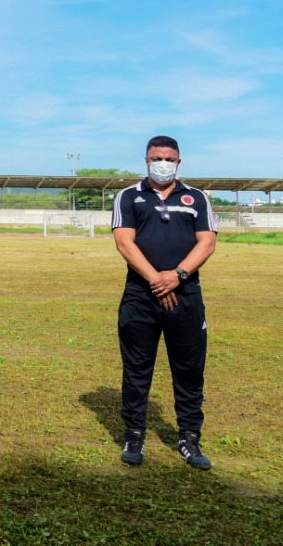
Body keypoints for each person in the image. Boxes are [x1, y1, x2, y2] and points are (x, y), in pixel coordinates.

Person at [111, 135, 217, 470]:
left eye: (169, 158)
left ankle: (189, 438)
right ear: (146, 160)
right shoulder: (129, 196)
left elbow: (207, 242)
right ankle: (135, 434)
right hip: (141, 297)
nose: (163, 163)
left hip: (186, 296)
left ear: (179, 162)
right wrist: (158, 279)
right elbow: (124, 242)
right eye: (157, 157)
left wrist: (178, 275)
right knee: (137, 369)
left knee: (189, 369)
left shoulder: (196, 198)